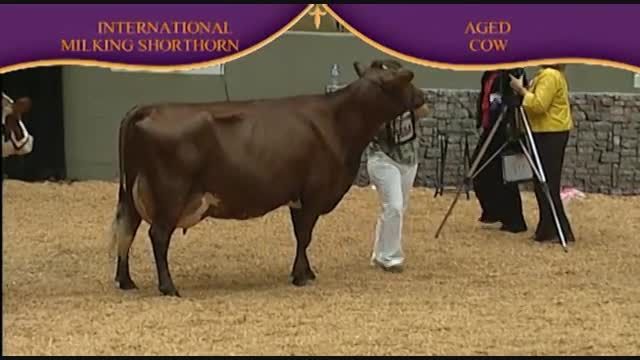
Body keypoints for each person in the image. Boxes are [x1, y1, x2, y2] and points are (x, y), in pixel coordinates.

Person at [509, 64, 576, 243]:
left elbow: (539, 105)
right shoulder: (548, 75)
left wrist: (521, 90)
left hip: (550, 133)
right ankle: (549, 228)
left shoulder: (549, 75)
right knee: (542, 184)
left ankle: (556, 230)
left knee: (547, 183)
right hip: (547, 131)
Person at [471, 69, 528, 233]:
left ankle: (514, 219)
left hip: (505, 130)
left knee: (506, 175)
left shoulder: (511, 74)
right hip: (490, 128)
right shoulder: (488, 74)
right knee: (481, 170)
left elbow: (517, 99)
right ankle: (493, 212)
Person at [367, 107, 420, 273]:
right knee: (394, 206)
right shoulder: (376, 100)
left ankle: (380, 253)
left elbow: (424, 110)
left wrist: (409, 109)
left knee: (396, 208)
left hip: (409, 158)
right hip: (382, 158)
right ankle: (390, 258)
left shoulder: (410, 96)